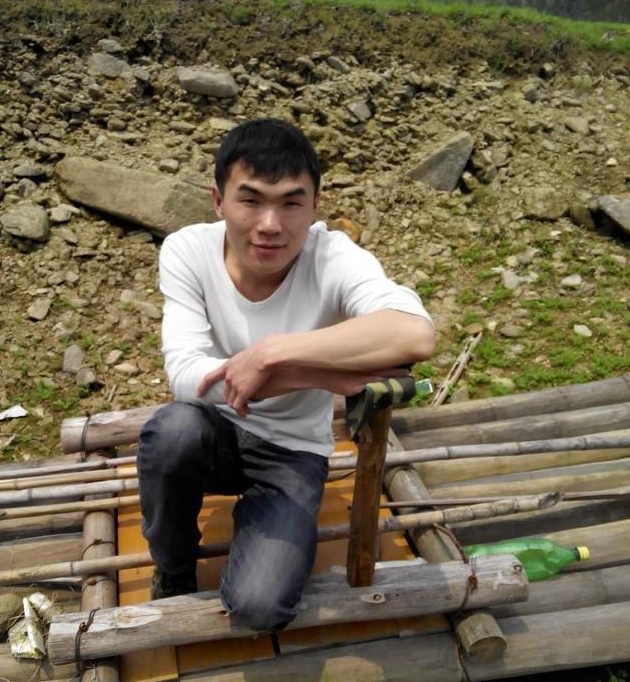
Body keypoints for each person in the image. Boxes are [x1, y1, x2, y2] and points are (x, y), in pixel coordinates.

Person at [137, 119, 435, 631]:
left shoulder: (332, 257)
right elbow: (186, 375)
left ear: (316, 205)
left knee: (260, 606)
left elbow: (414, 334)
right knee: (174, 431)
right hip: (214, 432)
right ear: (218, 200)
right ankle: (174, 565)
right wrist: (315, 375)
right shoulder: (188, 251)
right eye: (251, 201)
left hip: (292, 449)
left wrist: (272, 354)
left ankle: (264, 522)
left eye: (291, 203)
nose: (270, 225)